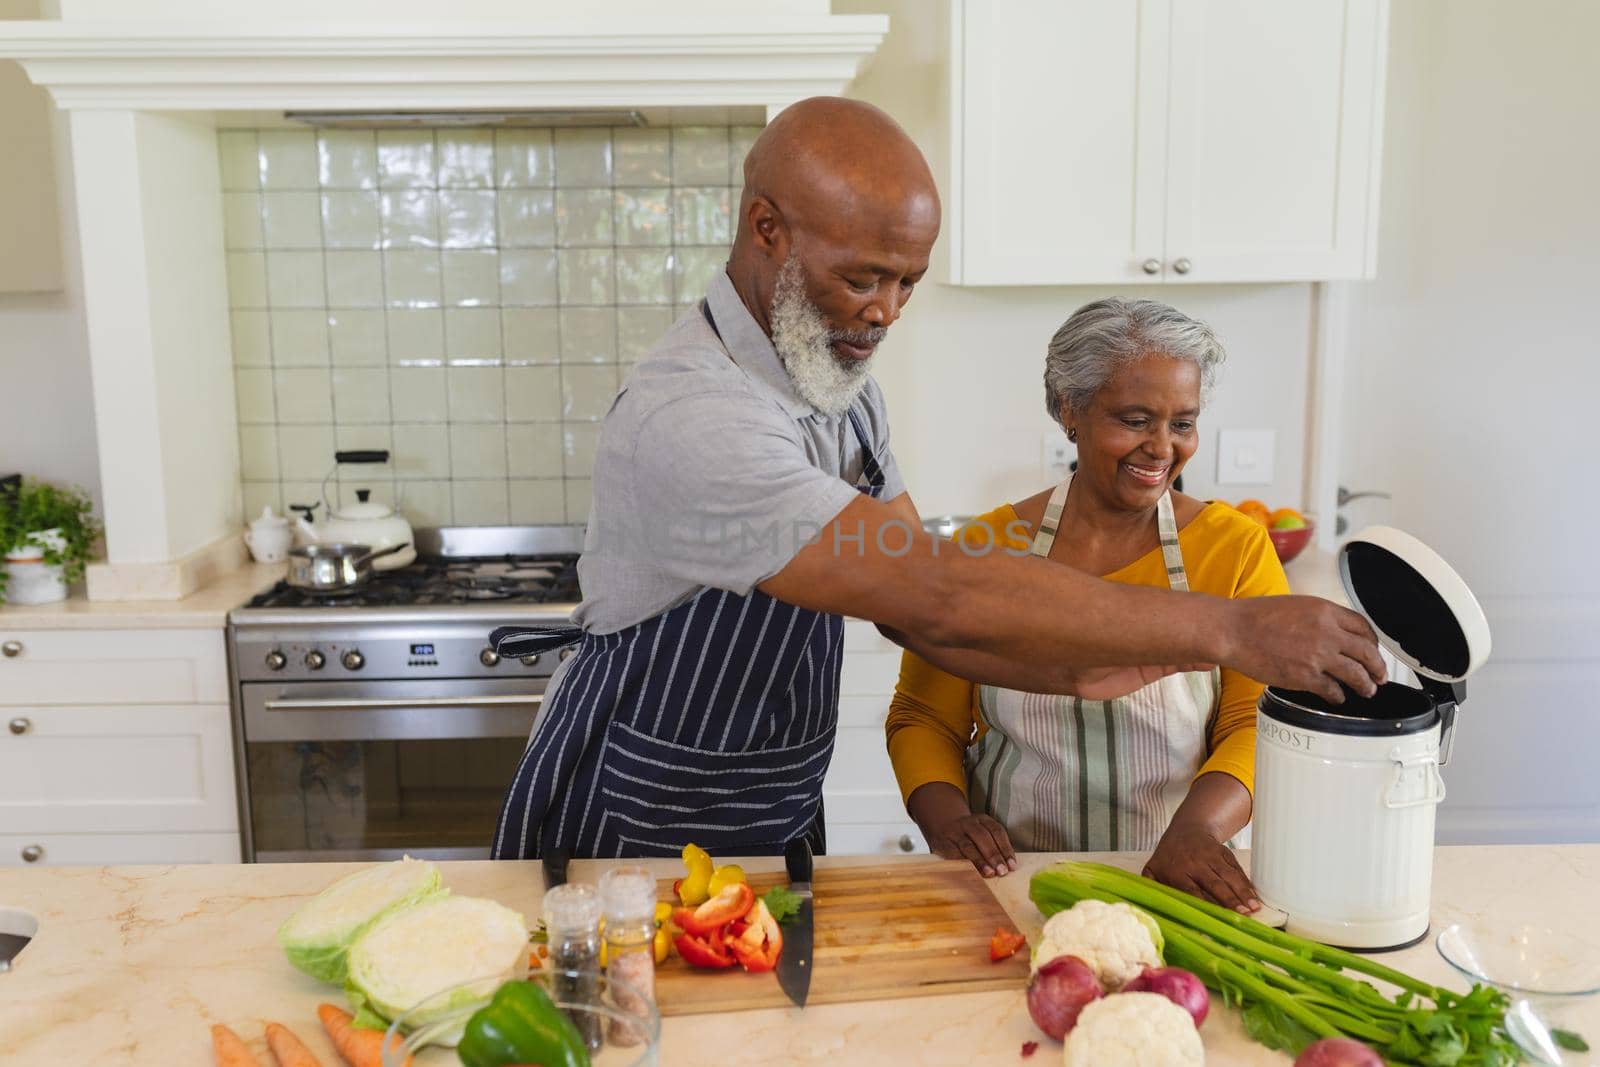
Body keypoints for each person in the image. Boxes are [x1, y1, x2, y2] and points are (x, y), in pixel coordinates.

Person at [490, 98, 1384, 861]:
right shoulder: (695, 417)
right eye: (862, 278)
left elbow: (916, 604)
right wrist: (1230, 628)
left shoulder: (840, 394)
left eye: (908, 282)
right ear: (767, 228)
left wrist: (1098, 662)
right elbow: (937, 594)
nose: (885, 313)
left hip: (769, 794)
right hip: (640, 806)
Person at [888, 298, 1281, 911]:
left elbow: (1255, 723)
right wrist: (948, 822)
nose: (1161, 449)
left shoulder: (1234, 548)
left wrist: (1197, 831)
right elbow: (923, 716)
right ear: (1070, 410)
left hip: (1175, 874)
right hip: (1008, 879)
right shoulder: (989, 546)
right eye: (1134, 419)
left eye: (1182, 424)